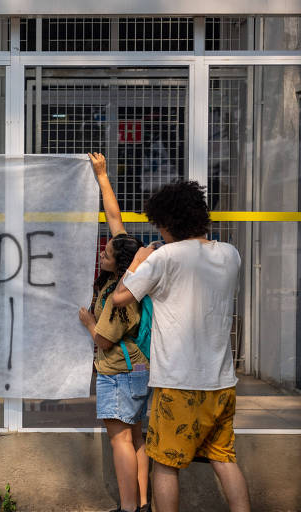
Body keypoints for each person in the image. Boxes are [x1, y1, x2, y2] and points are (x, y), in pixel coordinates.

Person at [112, 180, 250, 512]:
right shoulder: (230, 255)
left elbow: (120, 298)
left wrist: (139, 260)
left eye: (158, 224)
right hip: (221, 383)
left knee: (164, 463)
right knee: (224, 459)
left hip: (177, 383)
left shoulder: (164, 258)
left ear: (167, 223)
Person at [78, 153, 151, 512]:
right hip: (136, 369)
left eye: (107, 254)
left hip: (118, 372)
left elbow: (104, 339)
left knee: (120, 441)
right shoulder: (132, 275)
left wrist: (88, 322)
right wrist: (102, 176)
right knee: (137, 438)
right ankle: (142, 503)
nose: (102, 255)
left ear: (119, 263)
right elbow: (115, 217)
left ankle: (128, 508)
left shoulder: (118, 295)